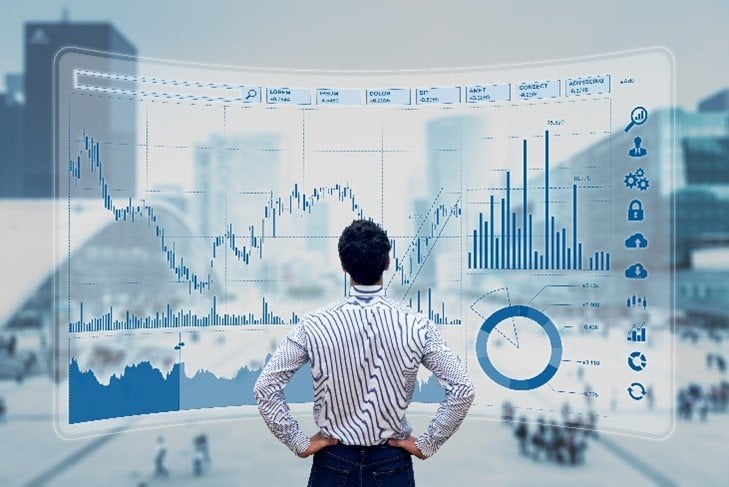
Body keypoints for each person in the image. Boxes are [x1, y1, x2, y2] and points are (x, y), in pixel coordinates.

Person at [254, 219, 475, 486]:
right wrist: (427, 444)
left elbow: (265, 387)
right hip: (391, 465)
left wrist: (298, 441)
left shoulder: (313, 324)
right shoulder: (417, 325)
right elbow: (462, 389)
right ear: (387, 262)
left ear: (343, 266)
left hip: (333, 463)